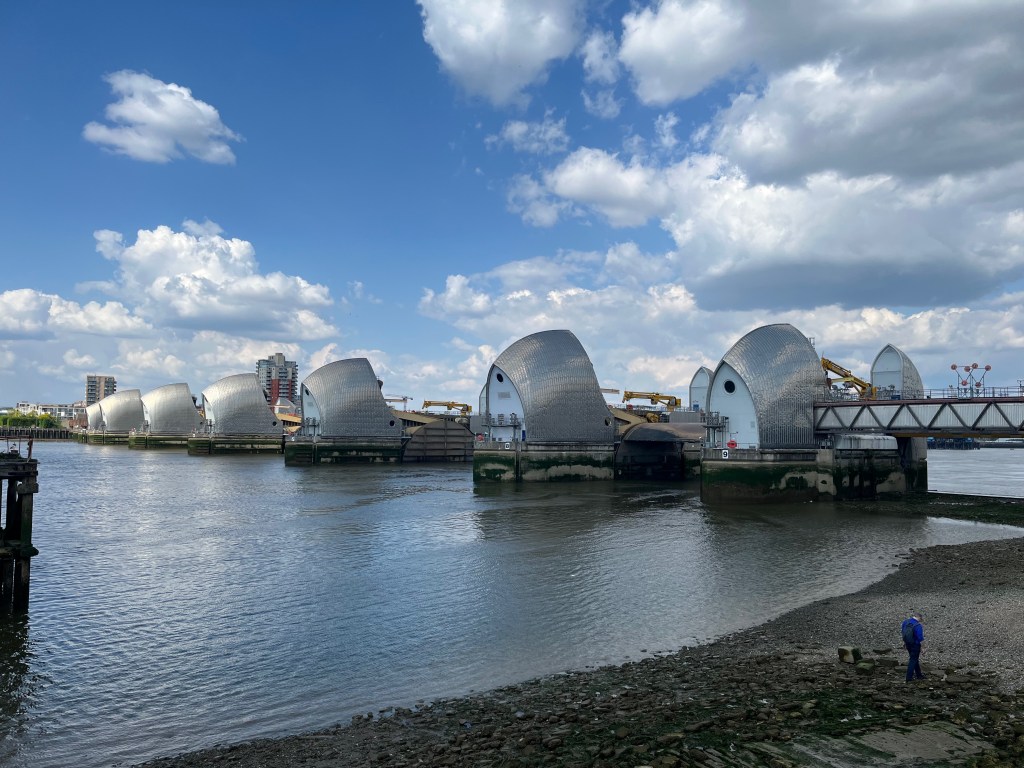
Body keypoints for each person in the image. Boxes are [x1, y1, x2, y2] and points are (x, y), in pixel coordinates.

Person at [902, 613, 925, 681]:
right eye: (921, 619)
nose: (920, 620)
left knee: (914, 659)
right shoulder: (918, 625)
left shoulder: (905, 622)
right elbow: (920, 637)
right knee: (913, 660)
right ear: (919, 617)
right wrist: (923, 648)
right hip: (915, 644)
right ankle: (908, 678)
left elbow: (903, 633)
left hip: (908, 643)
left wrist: (904, 643)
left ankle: (919, 675)